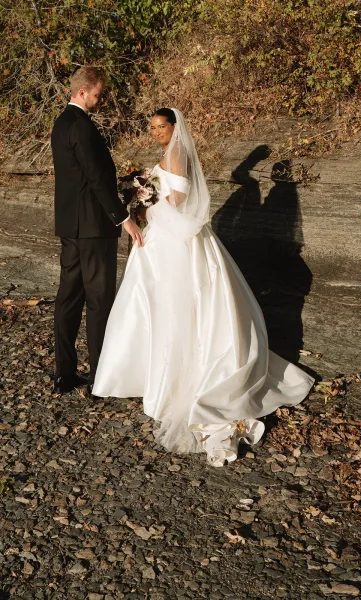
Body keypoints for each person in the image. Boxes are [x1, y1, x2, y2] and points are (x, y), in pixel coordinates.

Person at [93, 108, 314, 466]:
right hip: (167, 235)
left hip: (175, 237)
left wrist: (147, 205)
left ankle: (180, 378)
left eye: (161, 127)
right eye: (151, 128)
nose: (156, 133)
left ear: (175, 127)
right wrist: (144, 194)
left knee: (175, 303)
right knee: (155, 302)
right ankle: (158, 373)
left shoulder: (177, 152)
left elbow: (178, 201)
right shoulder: (170, 153)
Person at [51, 66, 143, 395]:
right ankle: (100, 377)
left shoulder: (61, 124)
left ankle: (64, 372)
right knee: (99, 300)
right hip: (94, 226)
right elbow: (94, 177)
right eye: (98, 94)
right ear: (82, 92)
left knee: (69, 297)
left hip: (70, 225)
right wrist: (124, 218)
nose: (100, 99)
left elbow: (79, 176)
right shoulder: (82, 126)